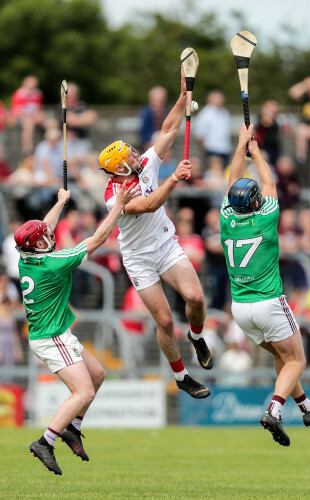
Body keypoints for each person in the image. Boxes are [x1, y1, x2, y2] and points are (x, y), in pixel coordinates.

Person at [220, 123, 310, 447]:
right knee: (297, 360)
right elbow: (270, 184)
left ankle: (308, 408)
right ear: (256, 203)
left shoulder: (226, 218)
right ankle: (274, 410)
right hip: (269, 302)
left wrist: (239, 147)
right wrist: (256, 153)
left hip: (241, 309)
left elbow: (232, 182)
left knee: (280, 355)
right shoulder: (266, 216)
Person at [98, 67, 213, 400]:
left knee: (196, 298)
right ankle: (181, 376)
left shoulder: (145, 163)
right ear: (119, 169)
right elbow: (147, 205)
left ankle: (196, 335)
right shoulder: (113, 197)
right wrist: (174, 178)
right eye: (129, 156)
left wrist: (182, 96)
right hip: (139, 259)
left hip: (165, 244)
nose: (137, 155)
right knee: (163, 320)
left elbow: (170, 128)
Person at [15, 182, 142, 475]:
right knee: (83, 392)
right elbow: (97, 239)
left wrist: (61, 201)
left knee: (97, 374)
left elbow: (41, 228)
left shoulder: (26, 257)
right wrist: (120, 204)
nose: (50, 236)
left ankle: (72, 427)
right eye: (45, 237)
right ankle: (45, 441)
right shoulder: (53, 263)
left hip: (54, 334)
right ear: (39, 245)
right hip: (51, 337)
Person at [194, 90, 232, 167]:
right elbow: (200, 134)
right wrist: (205, 148)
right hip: (212, 149)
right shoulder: (205, 114)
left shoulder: (225, 112)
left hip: (225, 149)